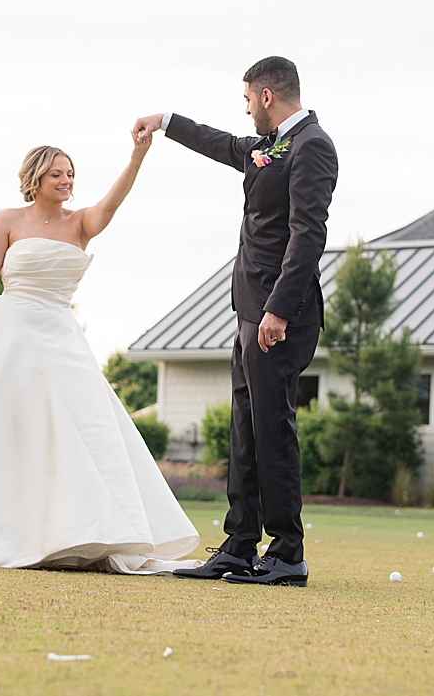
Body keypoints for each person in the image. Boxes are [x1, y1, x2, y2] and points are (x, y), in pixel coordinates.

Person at [0, 133, 201, 574]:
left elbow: (113, 202)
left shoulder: (82, 223)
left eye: (70, 174)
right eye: (56, 174)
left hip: (61, 334)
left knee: (91, 426)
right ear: (35, 178)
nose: (66, 181)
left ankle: (91, 529)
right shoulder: (8, 219)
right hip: (7, 331)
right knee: (1, 431)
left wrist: (136, 156)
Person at [131, 56, 337, 587]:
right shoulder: (265, 147)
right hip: (250, 310)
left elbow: (307, 234)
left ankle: (287, 551)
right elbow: (219, 142)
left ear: (267, 96)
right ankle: (240, 545)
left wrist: (278, 309)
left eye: (248, 100)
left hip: (279, 315)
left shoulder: (312, 145)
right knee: (244, 430)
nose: (245, 111)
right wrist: (166, 121)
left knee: (273, 429)